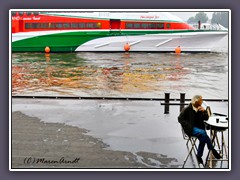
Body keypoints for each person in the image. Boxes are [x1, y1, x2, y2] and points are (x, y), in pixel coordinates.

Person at [178, 95, 222, 164]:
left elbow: (206, 118)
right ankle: (212, 149)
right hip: (191, 129)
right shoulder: (187, 109)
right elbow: (180, 119)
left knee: (203, 138)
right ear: (196, 101)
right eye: (201, 100)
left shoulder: (200, 108)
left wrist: (204, 111)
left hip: (199, 129)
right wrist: (188, 125)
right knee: (203, 133)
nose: (202, 101)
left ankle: (199, 156)